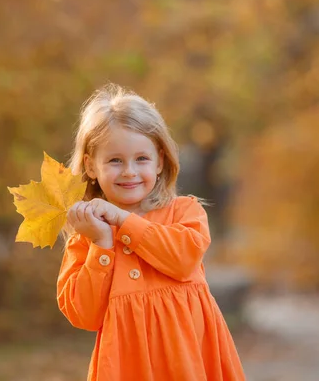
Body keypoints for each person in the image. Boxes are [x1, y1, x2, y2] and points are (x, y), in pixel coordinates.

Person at [57, 83, 246, 381]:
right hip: (127, 367)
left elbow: (182, 260)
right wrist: (102, 244)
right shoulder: (88, 234)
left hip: (189, 360)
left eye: (141, 159)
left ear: (160, 161)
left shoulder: (185, 212)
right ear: (91, 166)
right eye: (115, 160)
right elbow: (84, 315)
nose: (129, 171)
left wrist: (123, 220)